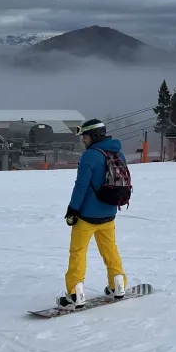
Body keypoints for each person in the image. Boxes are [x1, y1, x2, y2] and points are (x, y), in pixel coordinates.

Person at [59, 118, 131, 308]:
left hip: (86, 216)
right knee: (110, 249)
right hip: (109, 212)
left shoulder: (90, 156)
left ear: (94, 135)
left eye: (85, 136)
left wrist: (72, 210)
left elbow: (81, 186)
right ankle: (118, 285)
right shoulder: (118, 153)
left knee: (78, 252)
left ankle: (75, 294)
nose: (84, 140)